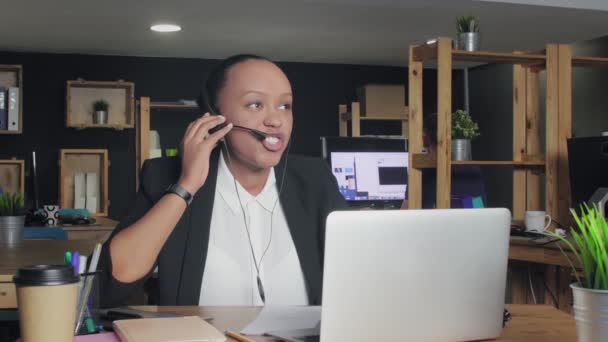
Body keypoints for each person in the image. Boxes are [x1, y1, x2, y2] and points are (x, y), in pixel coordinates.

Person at [98, 54, 348, 307]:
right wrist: (186, 186)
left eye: (285, 106)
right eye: (255, 104)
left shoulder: (314, 178)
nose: (275, 120)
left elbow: (362, 272)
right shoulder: (163, 175)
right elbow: (112, 283)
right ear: (215, 116)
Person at [402, 112, 486, 209]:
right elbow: (478, 208)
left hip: (431, 223)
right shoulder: (471, 169)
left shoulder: (421, 168)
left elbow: (405, 213)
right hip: (465, 222)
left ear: (425, 140)